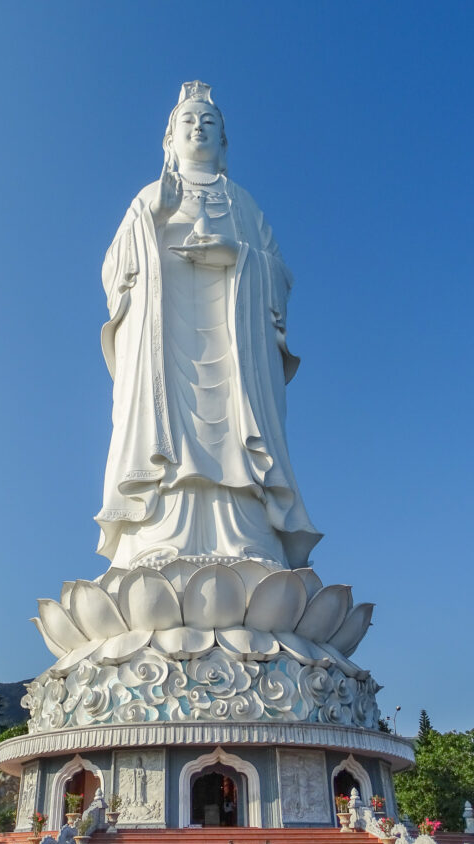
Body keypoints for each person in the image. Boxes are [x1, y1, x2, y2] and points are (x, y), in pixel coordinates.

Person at [96, 81, 321, 570]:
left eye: (208, 121)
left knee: (237, 437)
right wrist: (151, 219)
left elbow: (279, 275)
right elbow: (114, 272)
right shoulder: (148, 198)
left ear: (223, 141)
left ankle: (248, 539)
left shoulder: (243, 204)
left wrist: (237, 255)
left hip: (234, 350)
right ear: (169, 139)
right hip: (166, 346)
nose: (198, 127)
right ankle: (155, 537)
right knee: (167, 440)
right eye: (188, 120)